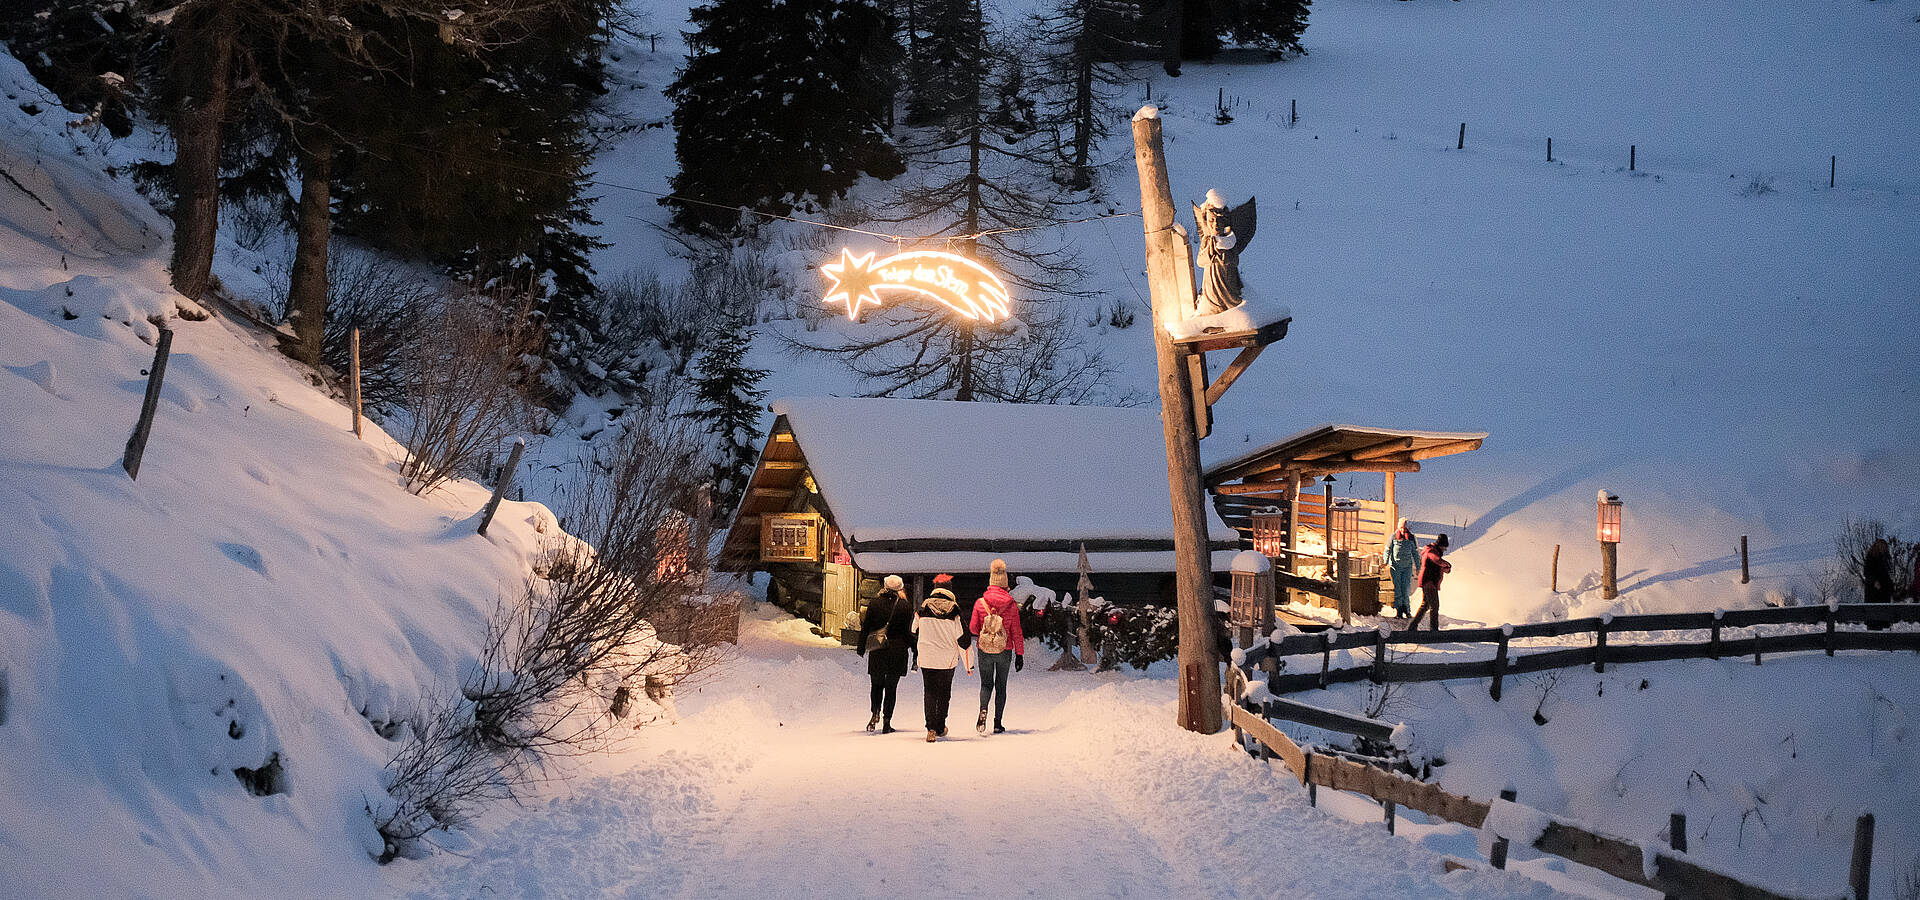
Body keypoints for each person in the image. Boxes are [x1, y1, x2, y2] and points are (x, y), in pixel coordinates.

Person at [913, 574, 974, 742]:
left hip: (927, 658)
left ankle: (930, 728)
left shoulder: (922, 608)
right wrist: (969, 665)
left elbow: (913, 630)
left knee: (930, 691)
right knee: (944, 692)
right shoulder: (955, 611)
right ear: (950, 591)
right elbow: (964, 640)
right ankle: (940, 726)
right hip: (947, 660)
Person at [970, 558, 1026, 735]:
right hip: (1005, 649)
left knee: (986, 684)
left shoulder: (980, 603)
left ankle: (983, 710)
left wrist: (984, 631)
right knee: (1001, 686)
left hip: (985, 649)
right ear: (1005, 584)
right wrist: (1020, 654)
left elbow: (972, 628)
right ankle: (997, 723)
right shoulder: (1011, 605)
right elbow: (1017, 631)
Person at [855, 575, 915, 733]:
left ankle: (874, 712)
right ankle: (887, 721)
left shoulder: (874, 603)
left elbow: (866, 626)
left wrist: (861, 647)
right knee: (891, 687)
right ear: (900, 588)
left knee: (876, 684)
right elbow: (907, 633)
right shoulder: (905, 606)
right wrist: (915, 648)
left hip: (878, 649)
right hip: (897, 650)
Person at [1407, 533, 1452, 632]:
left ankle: (1412, 627)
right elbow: (1437, 560)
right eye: (1444, 547)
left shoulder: (1434, 551)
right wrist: (1447, 564)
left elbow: (1438, 565)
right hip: (1429, 582)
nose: (1445, 550)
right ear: (1441, 545)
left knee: (1425, 605)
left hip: (1430, 582)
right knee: (1434, 606)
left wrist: (1446, 568)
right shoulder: (1431, 551)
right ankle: (1433, 629)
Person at [1383, 518, 1419, 619]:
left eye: (1404, 528)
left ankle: (1407, 609)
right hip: (1396, 567)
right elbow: (1387, 549)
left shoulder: (1411, 538)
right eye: (1401, 528)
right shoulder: (1393, 536)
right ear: (1399, 527)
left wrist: (1418, 567)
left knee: (1406, 589)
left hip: (1407, 567)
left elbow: (1415, 553)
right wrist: (1385, 561)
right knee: (1398, 589)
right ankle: (1399, 611)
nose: (1403, 530)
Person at [1863, 537, 1893, 631]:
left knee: (1883, 616)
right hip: (1874, 592)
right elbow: (1867, 572)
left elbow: (1887, 574)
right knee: (1874, 617)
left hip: (1884, 591)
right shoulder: (1871, 557)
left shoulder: (1885, 559)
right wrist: (1875, 581)